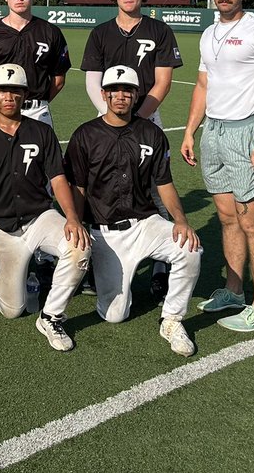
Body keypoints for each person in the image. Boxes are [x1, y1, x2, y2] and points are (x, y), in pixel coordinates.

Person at [180, 0, 254, 333]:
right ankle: (234, 290)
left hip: (247, 132)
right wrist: (191, 131)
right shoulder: (208, 34)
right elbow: (202, 86)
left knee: (252, 222)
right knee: (227, 218)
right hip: (214, 133)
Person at [66, 65, 201, 356]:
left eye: (127, 90)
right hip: (104, 231)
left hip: (144, 223)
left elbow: (164, 183)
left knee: (190, 248)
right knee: (114, 314)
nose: (121, 95)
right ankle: (112, 278)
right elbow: (77, 187)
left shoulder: (151, 133)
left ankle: (172, 319)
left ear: (136, 94)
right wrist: (75, 222)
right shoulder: (85, 135)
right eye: (114, 90)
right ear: (104, 94)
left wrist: (181, 220)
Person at [0, 64, 91, 352]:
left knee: (79, 246)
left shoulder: (42, 132)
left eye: (16, 90)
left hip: (38, 217)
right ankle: (28, 275)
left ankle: (51, 316)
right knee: (12, 310)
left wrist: (72, 217)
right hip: (2, 227)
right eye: (3, 90)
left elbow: (57, 178)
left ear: (25, 95)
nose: (9, 96)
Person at [79, 0, 184, 300]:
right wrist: (109, 114)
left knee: (155, 190)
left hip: (147, 119)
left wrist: (137, 117)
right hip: (107, 121)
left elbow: (163, 81)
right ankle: (98, 263)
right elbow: (93, 81)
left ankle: (159, 269)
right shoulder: (101, 33)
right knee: (102, 186)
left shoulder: (159, 31)